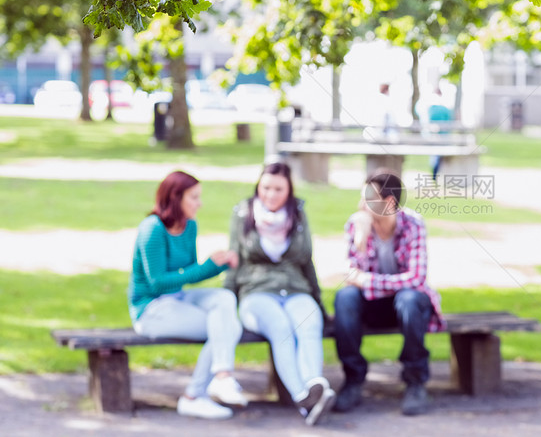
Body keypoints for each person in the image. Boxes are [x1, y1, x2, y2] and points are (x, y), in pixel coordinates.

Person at [224, 162, 335, 426]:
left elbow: (307, 260)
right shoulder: (243, 214)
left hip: (295, 289)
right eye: (266, 188)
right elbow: (233, 261)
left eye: (278, 189)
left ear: (289, 190)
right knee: (281, 327)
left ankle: (315, 384)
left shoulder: (297, 214)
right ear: (258, 187)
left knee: (308, 322)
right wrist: (226, 304)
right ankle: (304, 398)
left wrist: (318, 302)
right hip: (256, 293)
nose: (271, 195)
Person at [128, 171, 245, 420]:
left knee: (224, 299)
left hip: (178, 298)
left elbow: (190, 272)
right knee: (226, 327)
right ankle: (195, 396)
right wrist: (207, 266)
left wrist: (221, 264)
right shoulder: (152, 229)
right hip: (150, 309)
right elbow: (157, 283)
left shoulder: (189, 226)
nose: (199, 203)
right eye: (194, 197)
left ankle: (221, 378)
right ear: (175, 197)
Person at [333, 171, 445, 416]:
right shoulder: (356, 224)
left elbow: (416, 278)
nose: (360, 205)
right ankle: (353, 379)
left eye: (367, 199)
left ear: (389, 203)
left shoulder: (413, 224)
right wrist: (361, 238)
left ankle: (415, 381)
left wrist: (369, 280)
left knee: (410, 298)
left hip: (406, 307)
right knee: (345, 298)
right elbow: (351, 276)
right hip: (373, 306)